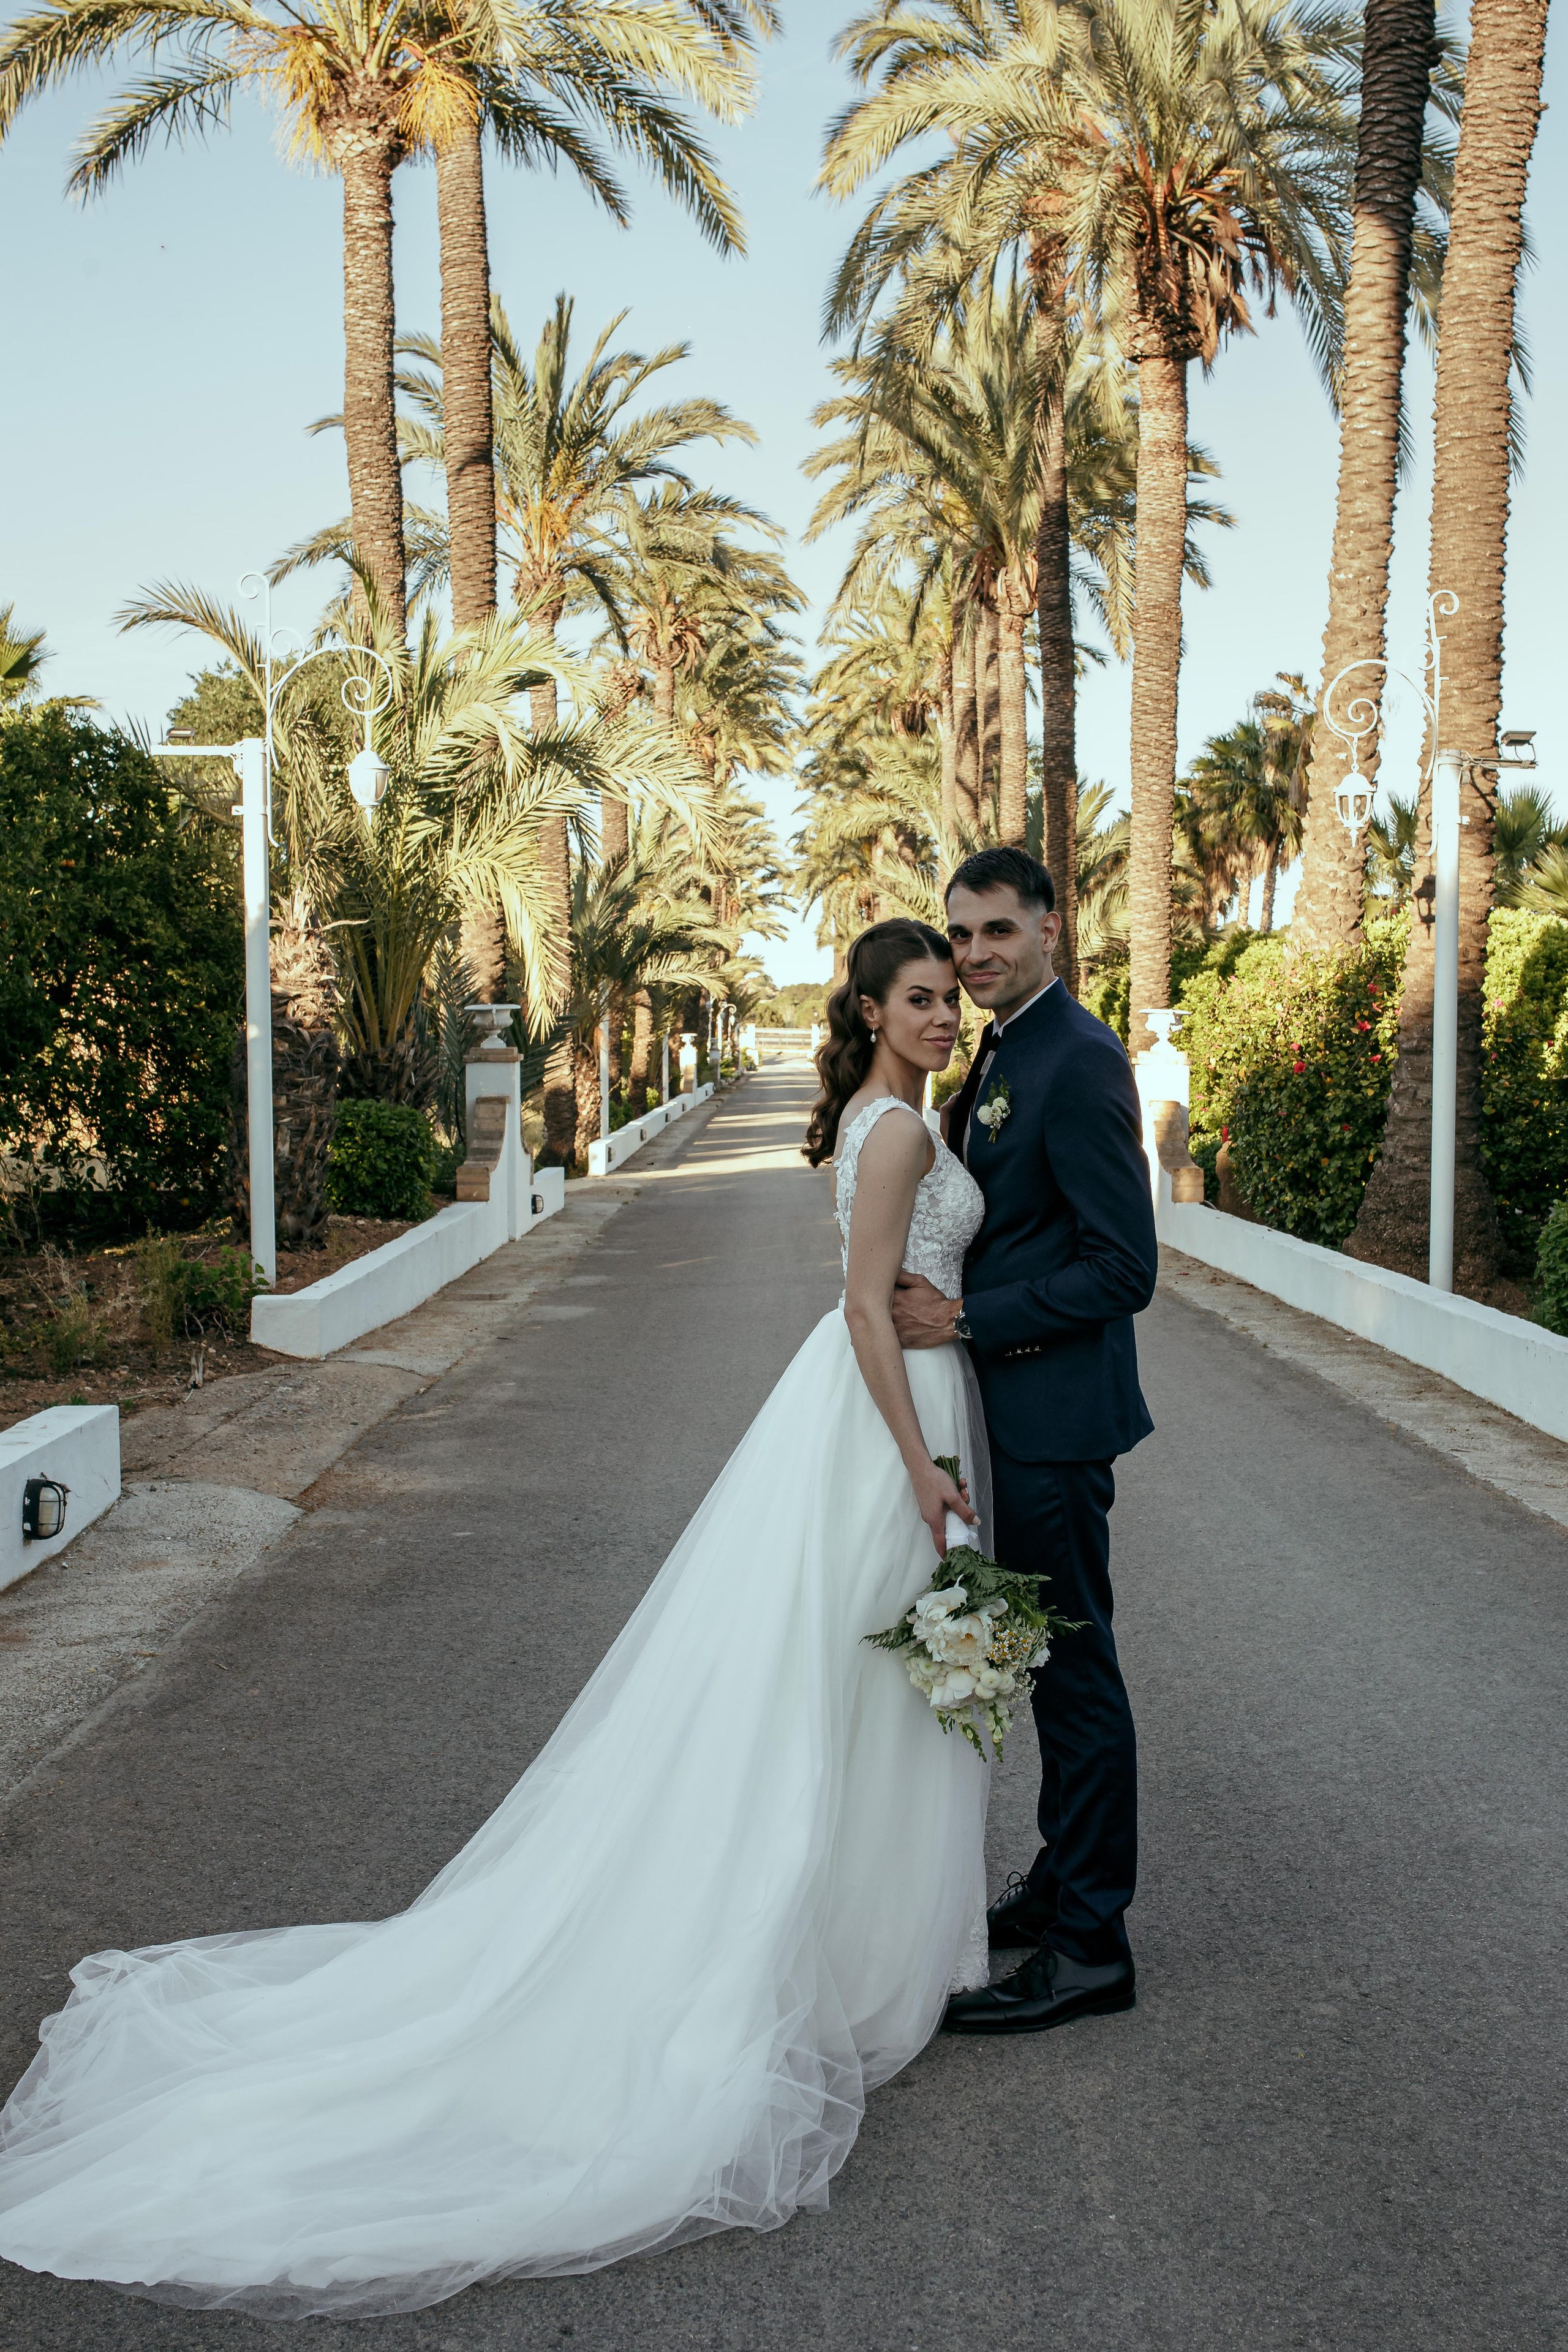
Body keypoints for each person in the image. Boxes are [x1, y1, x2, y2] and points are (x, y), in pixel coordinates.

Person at [0, 919, 996, 2323]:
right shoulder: (892, 1134)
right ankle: (831, 1950)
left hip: (894, 1409)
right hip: (883, 1423)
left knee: (856, 1680)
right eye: (920, 998)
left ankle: (859, 1936)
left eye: (949, 998)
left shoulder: (908, 1116)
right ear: (873, 1012)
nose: (943, 1015)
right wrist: (916, 1466)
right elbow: (859, 1310)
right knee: (846, 1680)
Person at [891, 846, 1158, 2035]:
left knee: (1076, 1675)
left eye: (997, 929)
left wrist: (964, 1318)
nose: (975, 954)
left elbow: (1123, 1267)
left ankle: (1091, 1947)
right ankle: (1058, 1885)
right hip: (1006, 1419)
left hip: (1053, 1423)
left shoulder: (1080, 1058)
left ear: (1050, 925)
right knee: (1044, 1667)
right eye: (960, 935)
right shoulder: (1001, 1048)